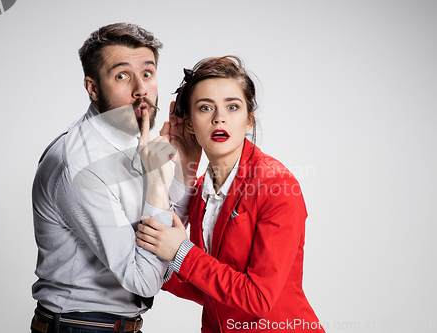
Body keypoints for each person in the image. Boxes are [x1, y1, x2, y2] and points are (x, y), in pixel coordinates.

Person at [30, 23, 199, 333]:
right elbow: (144, 279)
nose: (141, 89)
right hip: (80, 326)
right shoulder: (81, 164)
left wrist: (186, 161)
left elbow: (166, 230)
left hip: (111, 325)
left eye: (147, 74)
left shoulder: (132, 140)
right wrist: (156, 182)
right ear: (92, 88)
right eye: (122, 76)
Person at [136, 56, 326, 332]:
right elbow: (211, 288)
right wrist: (158, 265)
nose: (219, 118)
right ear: (188, 124)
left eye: (232, 107)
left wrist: (180, 252)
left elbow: (258, 298)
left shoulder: (277, 186)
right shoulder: (201, 188)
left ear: (249, 120)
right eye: (205, 108)